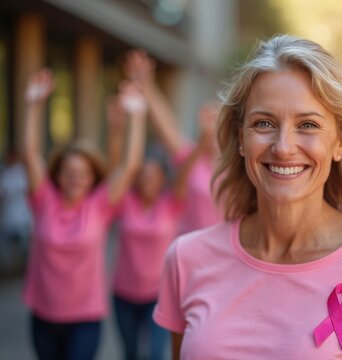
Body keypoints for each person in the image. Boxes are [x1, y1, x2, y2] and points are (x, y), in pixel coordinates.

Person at [154, 35, 342, 359]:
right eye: (263, 123)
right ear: (240, 139)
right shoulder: (186, 259)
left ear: (341, 143)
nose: (282, 147)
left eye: (307, 124)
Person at [21, 69, 146, 360]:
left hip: (86, 318)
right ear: (58, 175)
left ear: (92, 178)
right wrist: (33, 105)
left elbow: (129, 165)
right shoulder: (43, 200)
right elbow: (30, 152)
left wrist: (137, 115)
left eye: (83, 173)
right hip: (43, 314)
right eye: (69, 172)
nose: (76, 179)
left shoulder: (100, 205)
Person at [106, 95, 189, 360]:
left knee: (154, 355)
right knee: (130, 353)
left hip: (158, 294)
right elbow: (118, 165)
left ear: (163, 179)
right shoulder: (125, 202)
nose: (147, 180)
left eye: (153, 176)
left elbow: (186, 167)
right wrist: (118, 128)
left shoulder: (171, 203)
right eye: (143, 175)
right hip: (123, 294)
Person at [124, 50, 223, 233]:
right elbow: (166, 125)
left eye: (218, 120)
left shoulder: (240, 163)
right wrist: (146, 85)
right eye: (209, 120)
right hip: (193, 250)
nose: (212, 127)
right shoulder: (191, 156)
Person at [0, 149, 32, 274]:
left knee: (23, 245)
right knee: (9, 246)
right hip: (9, 218)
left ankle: (23, 269)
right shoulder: (5, 172)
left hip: (23, 217)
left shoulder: (23, 173)